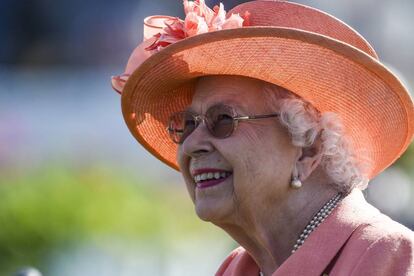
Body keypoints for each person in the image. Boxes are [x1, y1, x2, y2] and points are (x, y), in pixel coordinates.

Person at [111, 1, 414, 275]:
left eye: (224, 120)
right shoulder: (236, 269)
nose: (191, 144)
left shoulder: (386, 257)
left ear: (308, 148)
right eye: (187, 124)